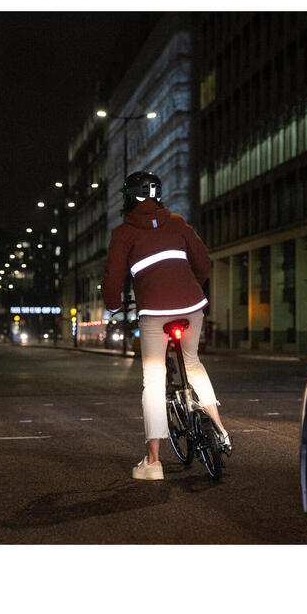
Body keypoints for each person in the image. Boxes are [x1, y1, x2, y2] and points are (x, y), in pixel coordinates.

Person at [102, 171, 231, 481]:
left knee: (155, 378)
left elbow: (113, 280)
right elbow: (203, 261)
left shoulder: (124, 232)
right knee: (193, 362)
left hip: (155, 311)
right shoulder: (177, 222)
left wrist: (115, 305)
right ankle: (222, 431)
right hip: (191, 305)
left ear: (129, 197)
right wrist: (191, 287)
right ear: (157, 194)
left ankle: (153, 462)